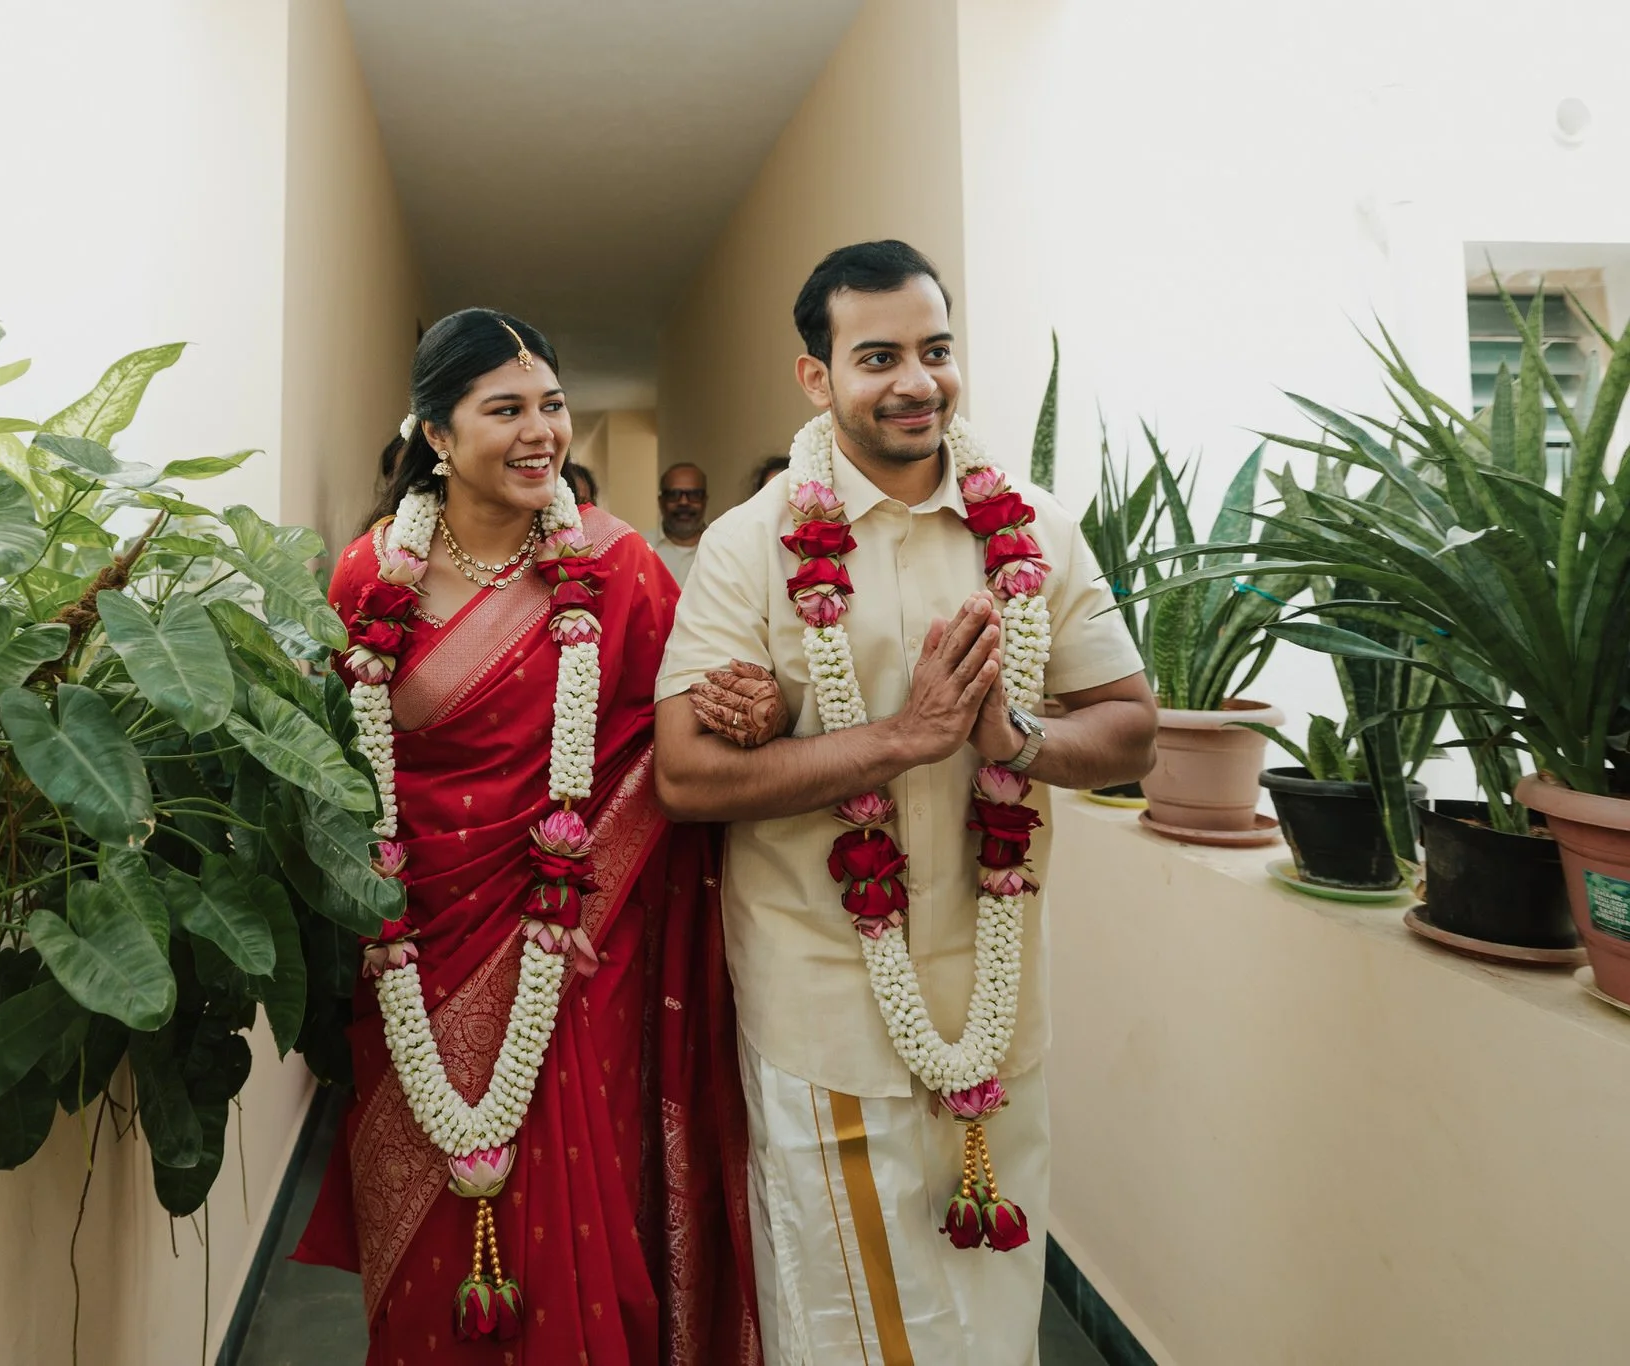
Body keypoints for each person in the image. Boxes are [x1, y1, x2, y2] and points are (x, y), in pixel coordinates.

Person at [652, 241, 1157, 1365]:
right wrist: (900, 739)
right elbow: (683, 774)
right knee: (846, 1327)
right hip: (822, 1012)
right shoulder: (750, 546)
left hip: (994, 1002)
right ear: (815, 378)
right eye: (876, 356)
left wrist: (1015, 738)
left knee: (982, 1323)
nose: (915, 380)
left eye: (934, 350)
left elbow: (1131, 726)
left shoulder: (1029, 526)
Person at [295, 307, 762, 1366]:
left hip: (578, 950)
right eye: (502, 408)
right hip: (414, 944)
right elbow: (340, 776)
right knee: (421, 1237)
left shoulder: (617, 564)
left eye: (551, 404)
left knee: (576, 1222)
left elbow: (660, 746)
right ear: (434, 432)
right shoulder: (370, 580)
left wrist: (748, 705)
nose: (540, 430)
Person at [646, 462, 707, 584]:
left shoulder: (723, 550)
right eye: (674, 495)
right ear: (661, 502)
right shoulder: (641, 550)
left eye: (694, 495)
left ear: (705, 501)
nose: (684, 502)